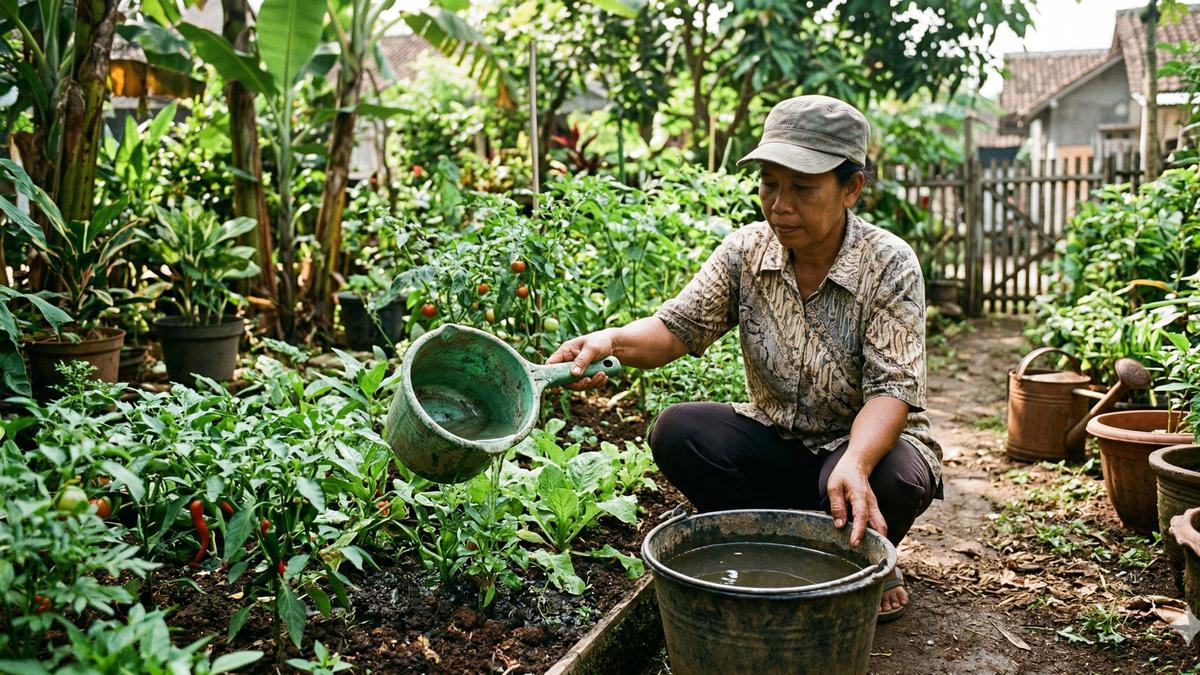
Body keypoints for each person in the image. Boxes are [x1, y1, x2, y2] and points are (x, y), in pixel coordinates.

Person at [546, 94, 942, 622]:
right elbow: (674, 330)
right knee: (679, 430)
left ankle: (858, 554)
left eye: (802, 187)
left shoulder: (889, 263)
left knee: (893, 479)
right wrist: (610, 341)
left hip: (863, 448)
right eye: (770, 184)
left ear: (851, 188)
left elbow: (892, 389)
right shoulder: (746, 251)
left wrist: (856, 461)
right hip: (777, 438)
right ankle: (787, 545)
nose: (780, 204)